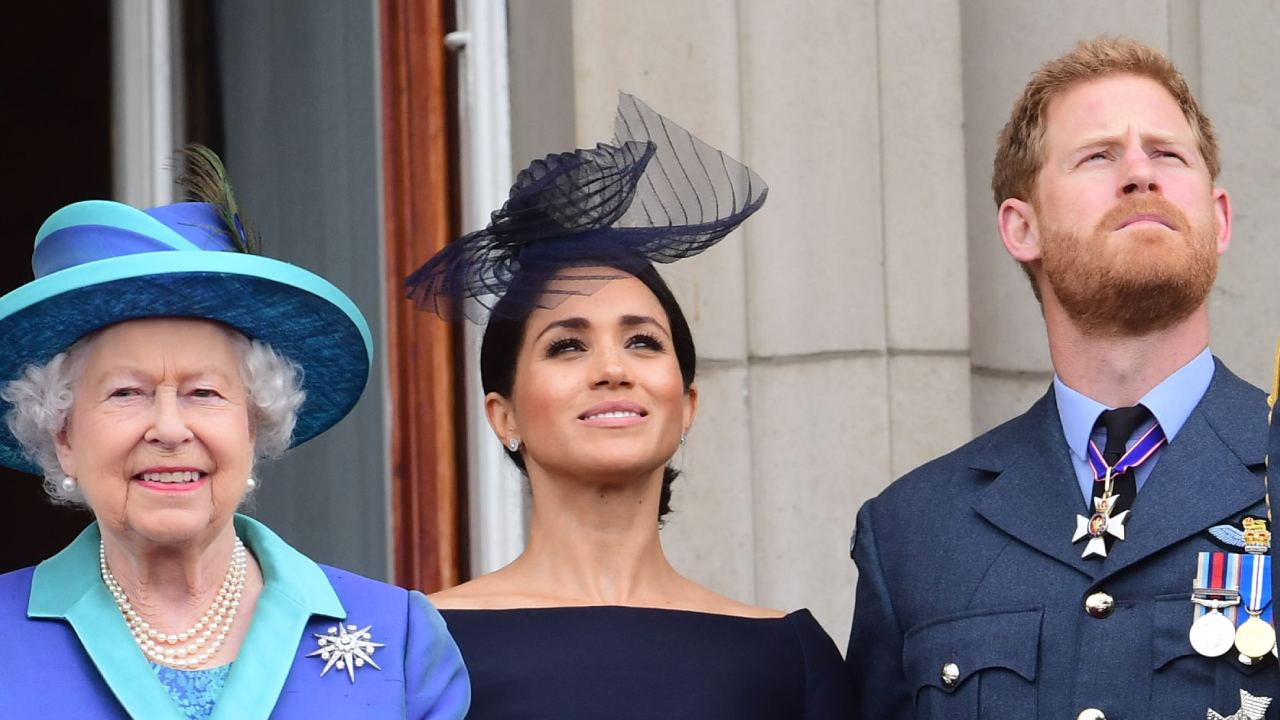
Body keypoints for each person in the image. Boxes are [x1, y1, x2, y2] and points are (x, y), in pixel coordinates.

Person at [846, 37, 1279, 719]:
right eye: (1099, 156)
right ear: (1023, 228)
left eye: (1167, 154)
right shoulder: (913, 530)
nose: (1140, 174)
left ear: (1218, 218)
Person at [407, 93, 855, 719]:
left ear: (687, 403)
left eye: (643, 342)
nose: (613, 370)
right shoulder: (416, 648)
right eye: (567, 345)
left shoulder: (788, 657)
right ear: (503, 416)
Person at [0, 147, 469, 719]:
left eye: (204, 393)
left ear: (255, 424)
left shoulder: (400, 639)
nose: (169, 429)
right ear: (64, 437)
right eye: (126, 393)